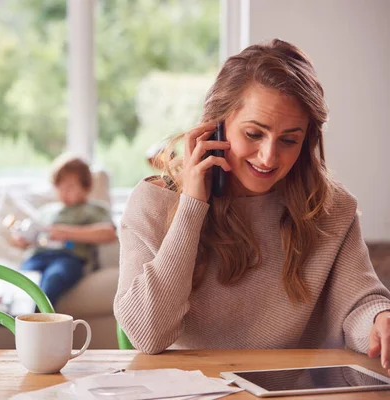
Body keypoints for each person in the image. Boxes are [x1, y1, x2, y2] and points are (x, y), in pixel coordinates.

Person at [113, 39, 390, 374]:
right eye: (254, 134)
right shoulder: (154, 204)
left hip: (292, 394)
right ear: (215, 125)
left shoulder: (331, 208)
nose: (269, 157)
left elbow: (359, 304)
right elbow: (147, 333)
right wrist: (192, 205)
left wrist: (379, 320)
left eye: (289, 140)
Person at [12, 154, 117, 306]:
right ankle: (19, 321)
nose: (64, 192)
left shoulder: (94, 209)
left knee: (54, 278)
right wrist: (22, 240)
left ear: (86, 187)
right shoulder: (46, 211)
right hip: (38, 255)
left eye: (70, 187)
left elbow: (108, 233)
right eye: (59, 187)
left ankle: (40, 320)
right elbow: (31, 237)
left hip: (68, 258)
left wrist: (66, 233)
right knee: (23, 280)